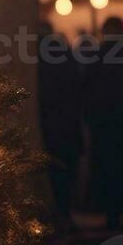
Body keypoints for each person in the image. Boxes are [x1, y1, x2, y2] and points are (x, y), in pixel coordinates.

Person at [82, 17, 123, 229]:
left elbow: (87, 90)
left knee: (107, 170)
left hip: (104, 126)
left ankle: (112, 215)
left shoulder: (98, 56)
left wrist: (89, 118)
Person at [36, 22, 83, 230]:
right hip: (67, 122)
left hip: (47, 121)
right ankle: (65, 213)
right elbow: (77, 87)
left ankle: (56, 215)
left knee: (51, 170)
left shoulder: (33, 55)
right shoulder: (64, 53)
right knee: (66, 170)